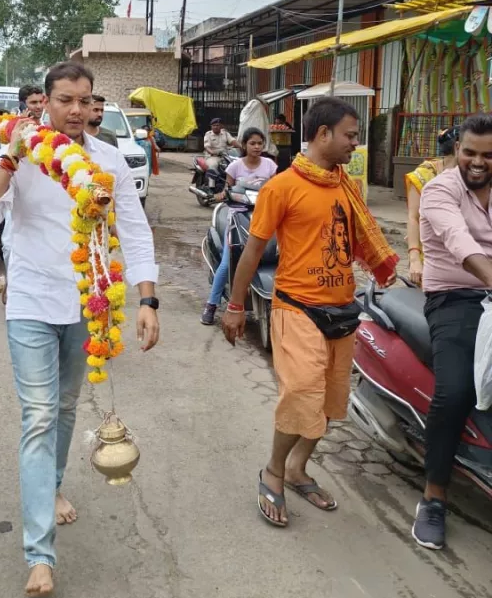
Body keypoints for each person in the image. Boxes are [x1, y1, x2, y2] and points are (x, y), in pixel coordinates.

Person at [0, 60, 159, 597]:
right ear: (45, 103)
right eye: (65, 100)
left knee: (68, 408)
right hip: (29, 300)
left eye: (84, 100)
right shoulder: (22, 154)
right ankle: (39, 554)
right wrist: (9, 157)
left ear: (93, 104)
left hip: (86, 306)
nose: (76, 110)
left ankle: (50, 488)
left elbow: (136, 233)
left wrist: (148, 298)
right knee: (39, 415)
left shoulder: (109, 162)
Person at [221, 98, 397, 527]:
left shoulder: (345, 187)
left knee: (329, 402)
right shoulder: (281, 187)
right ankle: (274, 472)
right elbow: (253, 251)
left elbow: (362, 238)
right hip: (296, 307)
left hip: (341, 309)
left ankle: (299, 467)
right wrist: (235, 304)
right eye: (350, 136)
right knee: (302, 392)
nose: (355, 144)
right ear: (323, 135)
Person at [411, 115, 492, 550]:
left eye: (488, 155)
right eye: (470, 152)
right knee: (456, 390)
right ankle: (434, 497)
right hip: (455, 297)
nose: (478, 162)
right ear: (457, 149)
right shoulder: (440, 189)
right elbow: (461, 245)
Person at [200, 128, 277, 325]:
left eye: (260, 143)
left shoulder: (269, 166)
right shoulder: (235, 168)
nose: (257, 147)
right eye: (253, 143)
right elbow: (228, 190)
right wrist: (222, 195)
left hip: (265, 216)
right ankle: (211, 304)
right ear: (244, 145)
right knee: (227, 262)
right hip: (237, 217)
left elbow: (278, 190)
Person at [404, 127, 458, 288]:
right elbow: (414, 218)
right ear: (458, 148)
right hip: (430, 256)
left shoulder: (476, 176)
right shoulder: (424, 175)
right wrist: (414, 260)